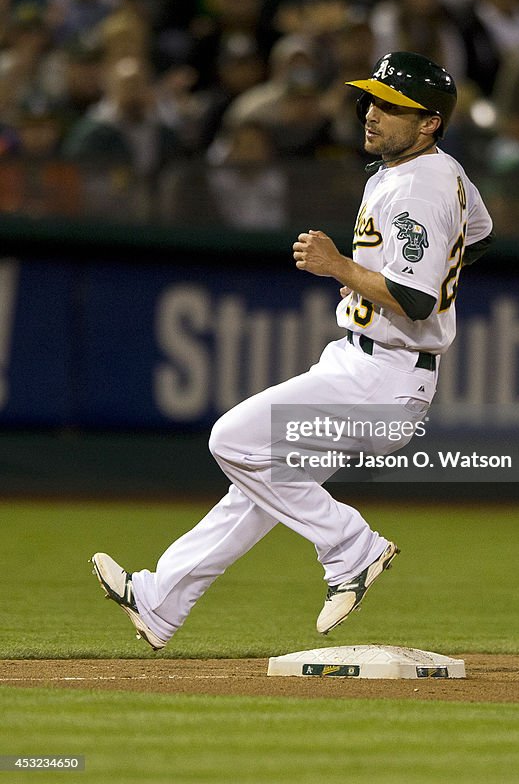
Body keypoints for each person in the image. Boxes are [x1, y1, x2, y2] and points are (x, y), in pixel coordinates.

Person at [91, 50, 494, 650]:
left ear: (430, 121)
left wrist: (338, 266)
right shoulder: (438, 173)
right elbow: (479, 237)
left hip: (382, 378)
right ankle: (160, 601)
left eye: (392, 106)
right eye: (372, 100)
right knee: (257, 487)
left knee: (232, 440)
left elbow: (417, 301)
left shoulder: (418, 186)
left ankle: (352, 547)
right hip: (369, 366)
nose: (372, 113)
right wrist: (423, 267)